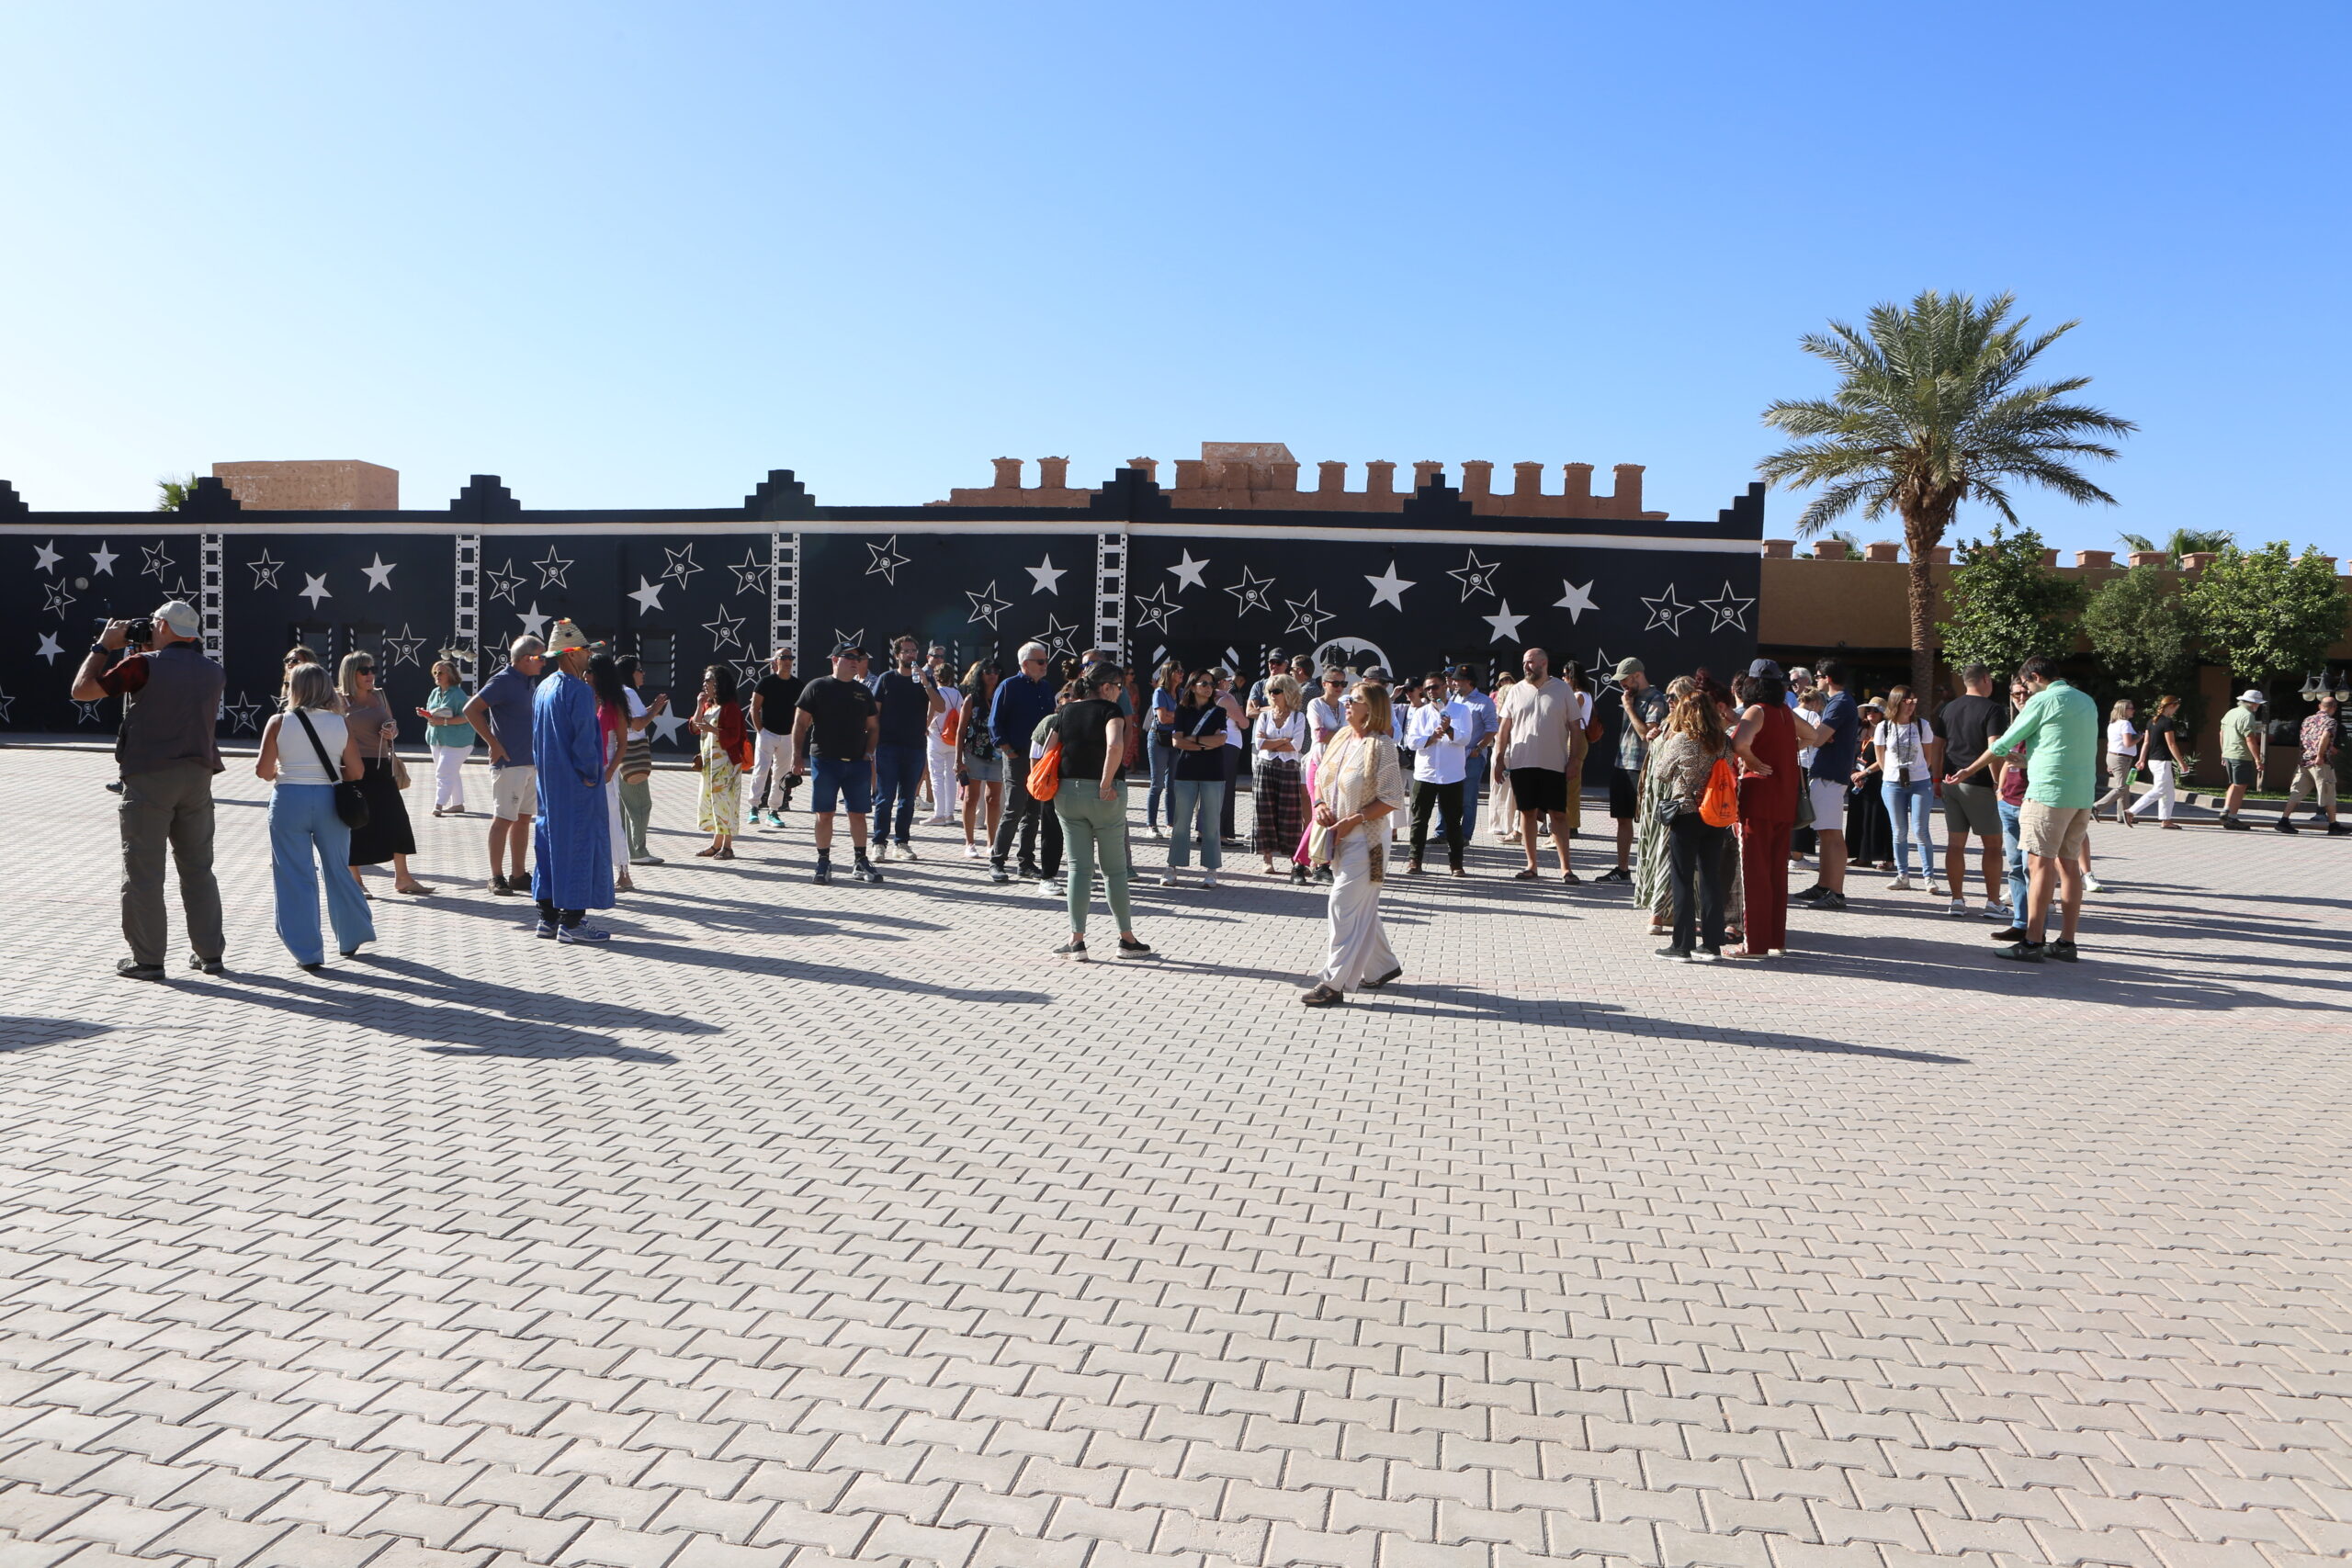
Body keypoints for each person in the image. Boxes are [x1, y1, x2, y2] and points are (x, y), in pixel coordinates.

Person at [71, 600, 228, 978]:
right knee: (198, 870)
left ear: (164, 626)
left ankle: (149, 959)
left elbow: (82, 691)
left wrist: (103, 646)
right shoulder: (214, 671)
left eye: (155, 623)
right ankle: (210, 954)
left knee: (144, 872)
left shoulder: (142, 665)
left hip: (150, 777)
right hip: (198, 777)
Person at [1956, 654, 2097, 962]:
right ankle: (2067, 942)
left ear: (2035, 677)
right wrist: (2030, 759)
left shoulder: (2042, 700)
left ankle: (2032, 942)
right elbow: (2064, 747)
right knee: (2069, 866)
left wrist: (1968, 770)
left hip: (2048, 793)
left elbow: (2001, 744)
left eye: (2027, 685)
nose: (2027, 693)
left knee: (2038, 864)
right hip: (2081, 794)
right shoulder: (2086, 701)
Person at [254, 660, 375, 969]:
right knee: (337, 867)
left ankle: (307, 953)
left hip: (288, 800)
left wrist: (285, 770)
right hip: (330, 800)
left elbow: (263, 771)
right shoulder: (340, 723)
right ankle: (352, 935)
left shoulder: (279, 721)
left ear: (294, 688)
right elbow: (357, 772)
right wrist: (329, 771)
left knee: (294, 874)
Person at [1300, 680, 1408, 1005]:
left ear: (1371, 708)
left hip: (1369, 842)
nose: (1346, 702)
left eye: (1354, 699)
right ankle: (1382, 966)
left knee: (1342, 904)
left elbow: (1391, 799)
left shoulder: (1383, 746)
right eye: (1347, 698)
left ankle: (1333, 983)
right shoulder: (1343, 736)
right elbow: (1320, 776)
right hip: (1340, 836)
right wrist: (1320, 804)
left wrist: (1352, 820)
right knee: (1362, 904)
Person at [1046, 663, 1152, 960]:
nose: (1120, 691)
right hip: (1104, 795)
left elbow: (1047, 749)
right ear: (1105, 687)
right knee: (1114, 870)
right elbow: (1115, 745)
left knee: (1078, 869)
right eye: (1118, 686)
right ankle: (1126, 939)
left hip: (1067, 794)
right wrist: (1105, 784)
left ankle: (1076, 941)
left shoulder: (1066, 710)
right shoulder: (1111, 711)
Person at [526, 621, 615, 942]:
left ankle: (548, 917)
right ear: (572, 653)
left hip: (549, 783)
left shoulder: (543, 688)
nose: (589, 655)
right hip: (576, 783)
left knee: (548, 844)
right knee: (579, 846)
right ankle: (572, 922)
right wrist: (591, 775)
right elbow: (585, 740)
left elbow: (536, 736)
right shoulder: (579, 690)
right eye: (585, 650)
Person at [1729, 660, 1814, 958]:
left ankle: (1754, 944)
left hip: (1757, 798)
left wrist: (1753, 761)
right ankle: (1776, 939)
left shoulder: (1756, 711)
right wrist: (1786, 749)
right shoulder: (1785, 712)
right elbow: (1813, 735)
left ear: (1751, 684)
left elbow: (1739, 744)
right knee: (1777, 873)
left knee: (1755, 874)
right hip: (1784, 801)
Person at [1651, 686, 1736, 962]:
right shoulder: (1724, 741)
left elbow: (1661, 773)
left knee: (1683, 878)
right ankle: (1712, 945)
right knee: (1711, 877)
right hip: (1715, 813)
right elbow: (1729, 767)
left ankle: (1682, 945)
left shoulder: (1682, 739)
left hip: (1686, 812)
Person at [338, 652, 431, 897]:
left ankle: (403, 878)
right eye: (364, 671)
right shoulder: (339, 700)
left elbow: (392, 723)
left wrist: (392, 730)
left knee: (397, 819)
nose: (371, 675)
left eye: (373, 669)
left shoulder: (379, 695)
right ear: (351, 673)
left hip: (381, 766)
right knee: (355, 822)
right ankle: (355, 881)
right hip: (354, 768)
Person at [793, 643, 884, 885]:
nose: (856, 661)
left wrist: (869, 753)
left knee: (858, 814)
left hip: (857, 763)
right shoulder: (817, 687)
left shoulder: (863, 692)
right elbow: (800, 724)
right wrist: (796, 757)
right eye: (850, 657)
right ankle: (823, 861)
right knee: (824, 814)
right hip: (825, 761)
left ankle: (860, 860)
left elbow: (874, 727)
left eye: (858, 658)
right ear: (835, 660)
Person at [1491, 647, 1584, 883]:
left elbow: (1575, 728)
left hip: (1555, 764)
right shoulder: (1516, 691)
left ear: (1544, 663)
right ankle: (1531, 866)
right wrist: (1499, 759)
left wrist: (1574, 760)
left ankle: (1566, 869)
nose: (1526, 666)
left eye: (1531, 662)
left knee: (1558, 814)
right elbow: (1504, 728)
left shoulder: (1563, 689)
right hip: (1522, 762)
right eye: (1524, 662)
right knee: (1527, 812)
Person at [463, 635, 546, 896]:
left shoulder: (529, 681)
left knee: (523, 819)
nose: (544, 662)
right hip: (509, 763)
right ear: (526, 659)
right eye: (540, 657)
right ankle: (496, 876)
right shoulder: (503, 680)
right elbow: (470, 709)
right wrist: (493, 743)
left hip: (531, 762)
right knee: (503, 819)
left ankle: (518, 875)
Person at [1933, 665, 2011, 917]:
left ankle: (1957, 900)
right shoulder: (1993, 709)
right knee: (1993, 845)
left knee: (1955, 844)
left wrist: (1936, 778)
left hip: (1950, 781)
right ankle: (1993, 902)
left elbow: (1937, 746)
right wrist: (1999, 784)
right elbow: (1994, 749)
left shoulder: (1948, 708)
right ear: (1986, 679)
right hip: (1979, 784)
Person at [988, 641, 1059, 883]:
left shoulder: (1046, 687)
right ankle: (997, 861)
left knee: (1034, 811)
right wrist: (1007, 750)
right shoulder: (1009, 686)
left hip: (1040, 758)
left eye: (1046, 660)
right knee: (1014, 808)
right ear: (1026, 663)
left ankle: (1026, 862)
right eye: (1041, 661)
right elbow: (994, 722)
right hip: (1018, 756)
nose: (1045, 665)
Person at [869, 637, 944, 860]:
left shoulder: (924, 679)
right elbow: (874, 713)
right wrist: (871, 745)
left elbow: (940, 707)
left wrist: (927, 683)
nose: (911, 655)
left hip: (914, 747)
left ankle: (901, 843)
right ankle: (879, 843)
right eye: (906, 651)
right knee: (885, 797)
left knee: (908, 799)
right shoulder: (886, 679)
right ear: (897, 655)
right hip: (887, 746)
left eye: (914, 651)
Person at [1796, 659, 1860, 911]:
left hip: (1830, 776)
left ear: (1828, 678)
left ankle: (1836, 892)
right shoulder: (1838, 701)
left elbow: (1819, 738)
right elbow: (1822, 736)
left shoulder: (1840, 702)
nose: (1816, 680)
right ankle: (1824, 885)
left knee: (1832, 835)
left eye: (1818, 676)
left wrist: (1815, 733)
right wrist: (1818, 733)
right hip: (1828, 774)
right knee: (1825, 833)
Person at [1163, 671, 1230, 887]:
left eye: (1211, 684)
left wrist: (1195, 740)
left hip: (1213, 772)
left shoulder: (1219, 711)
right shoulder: (1182, 710)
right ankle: (1172, 867)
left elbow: (1221, 740)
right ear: (1192, 686)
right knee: (1180, 822)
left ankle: (1211, 870)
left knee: (1211, 824)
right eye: (1203, 683)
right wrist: (1205, 743)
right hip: (1186, 771)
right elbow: (1177, 742)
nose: (1208, 687)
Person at [1604, 656, 1668, 883]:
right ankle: (1622, 869)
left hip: (1641, 767)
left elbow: (1646, 734)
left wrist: (1630, 708)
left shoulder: (1656, 698)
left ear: (1637, 675)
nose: (1622, 684)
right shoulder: (1630, 696)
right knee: (1622, 819)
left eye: (1625, 679)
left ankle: (1648, 872)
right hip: (1622, 763)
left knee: (1647, 820)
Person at [1401, 671, 1472, 876]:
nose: (1432, 691)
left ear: (1445, 687)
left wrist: (1449, 730)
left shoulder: (1461, 710)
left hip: (1452, 774)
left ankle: (1456, 863)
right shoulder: (1421, 713)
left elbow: (1466, 738)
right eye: (1428, 688)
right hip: (1426, 774)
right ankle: (1415, 860)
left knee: (1453, 821)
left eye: (1436, 687)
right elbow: (1411, 742)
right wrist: (1431, 737)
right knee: (1419, 819)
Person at [1869, 684, 1938, 893]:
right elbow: (1880, 758)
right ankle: (1902, 875)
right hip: (1892, 784)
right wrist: (1893, 774)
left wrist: (1916, 772)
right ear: (1896, 702)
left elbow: (1928, 757)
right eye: (1907, 701)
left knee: (1921, 830)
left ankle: (1929, 877)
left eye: (1914, 701)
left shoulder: (1922, 725)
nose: (1911, 705)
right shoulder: (1884, 727)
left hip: (1920, 783)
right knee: (1899, 831)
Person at [689, 663, 752, 860]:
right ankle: (716, 845)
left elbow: (733, 736)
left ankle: (728, 846)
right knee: (713, 802)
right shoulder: (708, 705)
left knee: (726, 803)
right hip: (710, 766)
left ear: (720, 683)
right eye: (705, 680)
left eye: (709, 680)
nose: (705, 684)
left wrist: (712, 730)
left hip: (726, 765)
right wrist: (699, 705)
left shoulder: (730, 707)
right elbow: (694, 727)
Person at [1253, 674, 1312, 881]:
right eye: (1270, 691)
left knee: (1290, 815)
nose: (1272, 695)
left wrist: (1272, 743)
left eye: (1276, 691)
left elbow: (1296, 745)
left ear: (1288, 692)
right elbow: (1259, 744)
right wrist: (1282, 741)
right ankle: (1267, 859)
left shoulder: (1298, 717)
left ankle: (1295, 860)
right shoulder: (1265, 716)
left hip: (1289, 768)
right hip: (1265, 767)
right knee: (1264, 812)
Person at [586, 653, 637, 891]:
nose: (585, 675)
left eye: (589, 671)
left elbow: (622, 743)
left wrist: (610, 771)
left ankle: (623, 872)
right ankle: (595, 872)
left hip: (605, 766)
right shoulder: (584, 697)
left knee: (612, 818)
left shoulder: (614, 703)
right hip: (584, 766)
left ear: (599, 674)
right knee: (588, 821)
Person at [615, 655, 663, 865]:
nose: (643, 673)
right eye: (639, 669)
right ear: (630, 673)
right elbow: (637, 724)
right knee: (641, 805)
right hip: (633, 754)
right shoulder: (629, 692)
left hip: (618, 754)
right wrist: (655, 710)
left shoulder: (617, 691)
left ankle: (626, 850)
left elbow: (633, 719)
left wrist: (650, 709)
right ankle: (638, 851)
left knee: (625, 807)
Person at [746, 649, 801, 828]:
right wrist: (761, 731)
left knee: (781, 775)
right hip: (767, 734)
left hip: (788, 736)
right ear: (776, 661)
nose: (787, 661)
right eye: (783, 658)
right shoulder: (765, 682)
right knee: (761, 770)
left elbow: (802, 712)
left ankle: (773, 812)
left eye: (790, 658)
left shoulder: (797, 685)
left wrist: (796, 733)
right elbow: (754, 708)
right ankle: (753, 808)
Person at [2276, 696, 2346, 835]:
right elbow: (2325, 737)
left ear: (2320, 706)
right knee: (2328, 791)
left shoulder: (2307, 720)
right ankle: (2333, 825)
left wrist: (2304, 756)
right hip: (2320, 763)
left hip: (2305, 762)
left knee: (2297, 792)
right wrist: (2320, 755)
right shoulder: (2330, 721)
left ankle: (2284, 820)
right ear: (2334, 708)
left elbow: (2304, 740)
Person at [956, 659, 1004, 858]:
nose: (992, 674)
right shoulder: (971, 699)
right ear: (980, 674)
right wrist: (958, 760)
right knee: (971, 797)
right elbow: (961, 730)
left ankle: (992, 843)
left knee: (993, 799)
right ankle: (969, 842)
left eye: (996, 671)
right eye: (988, 671)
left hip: (997, 754)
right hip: (973, 752)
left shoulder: (1003, 696)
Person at [417, 659, 474, 816]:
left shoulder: (458, 694)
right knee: (450, 771)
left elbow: (466, 717)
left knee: (443, 772)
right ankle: (458, 804)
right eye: (435, 672)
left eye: (440, 672)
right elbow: (432, 713)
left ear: (450, 675)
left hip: (458, 741)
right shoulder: (434, 693)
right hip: (436, 739)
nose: (437, 675)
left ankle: (439, 805)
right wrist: (425, 714)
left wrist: (443, 721)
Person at [2125, 694, 2188, 829]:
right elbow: (2171, 744)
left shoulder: (2151, 721)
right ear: (2171, 706)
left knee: (2168, 792)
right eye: (2176, 708)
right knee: (2159, 790)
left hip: (2153, 761)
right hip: (2162, 761)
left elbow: (2146, 743)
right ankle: (2131, 811)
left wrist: (2141, 759)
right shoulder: (2167, 722)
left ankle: (2166, 820)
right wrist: (2181, 762)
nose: (2176, 711)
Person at [922, 645, 963, 825]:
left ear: (936, 677)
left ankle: (939, 814)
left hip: (936, 737)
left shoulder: (936, 693)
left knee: (936, 776)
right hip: (953, 738)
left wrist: (924, 728)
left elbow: (930, 714)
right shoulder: (958, 693)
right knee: (951, 777)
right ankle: (949, 814)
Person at [1145, 660, 1184, 837]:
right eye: (1178, 671)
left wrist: (1173, 715)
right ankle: (1151, 826)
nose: (1181, 674)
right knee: (1157, 784)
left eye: (1182, 671)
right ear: (1169, 673)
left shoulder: (1181, 693)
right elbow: (1162, 718)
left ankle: (1170, 824)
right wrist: (1178, 716)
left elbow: (1183, 715)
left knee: (1173, 785)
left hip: (1175, 739)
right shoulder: (1159, 692)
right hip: (1159, 739)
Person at [2218, 690, 2266, 829]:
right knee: (2241, 786)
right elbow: (2250, 739)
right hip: (2241, 755)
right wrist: (2257, 759)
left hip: (2229, 753)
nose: (2258, 706)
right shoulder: (2248, 716)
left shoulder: (2231, 712)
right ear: (2253, 703)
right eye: (2258, 703)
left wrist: (2223, 751)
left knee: (2235, 784)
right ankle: (2232, 817)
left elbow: (2221, 733)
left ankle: (2226, 810)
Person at [2089, 698, 2142, 823]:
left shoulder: (2113, 724)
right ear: (2123, 710)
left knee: (2125, 787)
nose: (2133, 710)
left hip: (2113, 756)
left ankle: (2123, 815)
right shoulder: (2125, 724)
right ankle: (2096, 807)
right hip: (2122, 758)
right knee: (2122, 787)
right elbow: (2128, 743)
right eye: (2131, 708)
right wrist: (2139, 738)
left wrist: (2109, 763)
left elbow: (2110, 744)